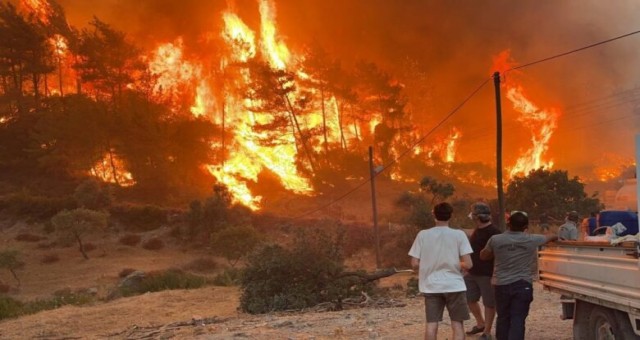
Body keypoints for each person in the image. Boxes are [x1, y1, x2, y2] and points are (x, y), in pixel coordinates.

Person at [480, 211, 557, 340]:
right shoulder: (531, 239)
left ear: (508, 224)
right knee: (518, 318)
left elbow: (483, 256)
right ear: (525, 227)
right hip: (522, 284)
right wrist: (556, 237)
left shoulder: (496, 239)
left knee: (503, 317)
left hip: (501, 284)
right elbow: (549, 237)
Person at [409, 202, 474, 340]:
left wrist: (428, 264)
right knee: (457, 324)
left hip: (431, 286)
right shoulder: (459, 235)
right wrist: (455, 263)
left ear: (434, 215)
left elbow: (414, 263)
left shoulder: (423, 234)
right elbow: (468, 264)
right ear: (450, 216)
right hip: (454, 285)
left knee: (431, 324)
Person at [464, 202, 501, 340]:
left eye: (473, 213)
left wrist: (495, 274)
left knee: (489, 303)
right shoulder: (477, 230)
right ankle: (480, 323)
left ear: (477, 217)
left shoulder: (495, 233)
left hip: (487, 275)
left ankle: (487, 331)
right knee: (469, 298)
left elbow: (498, 255)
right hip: (472, 273)